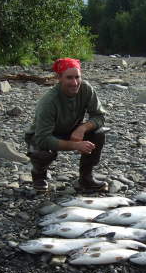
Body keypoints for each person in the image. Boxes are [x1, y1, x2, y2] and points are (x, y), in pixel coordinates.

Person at [24, 57, 107, 193]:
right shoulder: (49, 101)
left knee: (98, 133)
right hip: (42, 135)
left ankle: (86, 178)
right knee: (42, 151)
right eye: (69, 78)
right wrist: (75, 145)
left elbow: (100, 116)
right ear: (59, 78)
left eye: (77, 77)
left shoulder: (86, 89)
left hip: (71, 129)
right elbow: (43, 138)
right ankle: (39, 175)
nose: (74, 83)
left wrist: (82, 128)